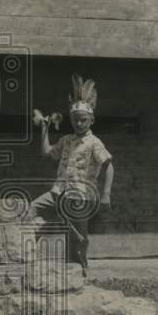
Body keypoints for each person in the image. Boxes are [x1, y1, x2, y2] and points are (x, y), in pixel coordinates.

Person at [29, 75, 114, 277]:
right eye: (76, 119)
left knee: (76, 238)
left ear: (91, 119)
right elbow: (48, 153)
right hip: (58, 192)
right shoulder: (67, 140)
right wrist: (44, 129)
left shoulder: (94, 143)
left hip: (79, 196)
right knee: (31, 209)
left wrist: (106, 194)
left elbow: (109, 166)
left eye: (83, 119)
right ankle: (37, 238)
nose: (79, 123)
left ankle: (79, 275)